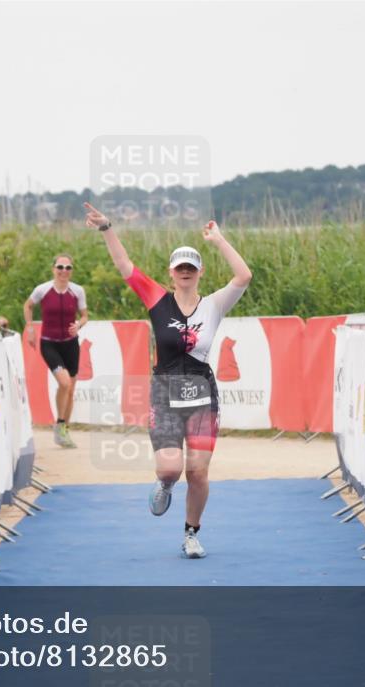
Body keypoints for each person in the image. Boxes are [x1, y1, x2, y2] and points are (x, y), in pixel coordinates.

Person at [84, 202, 252, 559]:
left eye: (191, 267)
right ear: (171, 272)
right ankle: (163, 484)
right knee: (171, 468)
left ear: (200, 272)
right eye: (180, 268)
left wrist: (219, 240)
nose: (186, 272)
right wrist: (107, 228)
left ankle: (191, 534)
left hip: (202, 394)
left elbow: (243, 277)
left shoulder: (215, 305)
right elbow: (124, 266)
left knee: (199, 473)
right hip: (164, 392)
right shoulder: (157, 299)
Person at [23, 254, 88, 448]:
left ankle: (63, 430)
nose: (64, 271)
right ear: (53, 269)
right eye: (60, 267)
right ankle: (60, 424)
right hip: (49, 343)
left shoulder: (77, 291)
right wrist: (30, 328)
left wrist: (79, 325)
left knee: (70, 389)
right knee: (64, 382)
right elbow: (28, 306)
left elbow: (84, 315)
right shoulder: (42, 290)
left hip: (70, 343)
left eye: (68, 268)